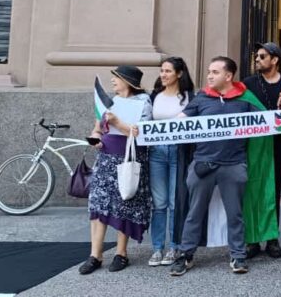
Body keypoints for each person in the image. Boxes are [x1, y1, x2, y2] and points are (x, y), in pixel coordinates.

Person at [170, 57, 265, 276]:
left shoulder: (245, 99)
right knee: (194, 213)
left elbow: (267, 121)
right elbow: (178, 121)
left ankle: (238, 256)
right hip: (203, 164)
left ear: (228, 76)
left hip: (233, 165)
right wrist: (146, 130)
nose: (209, 76)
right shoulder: (201, 98)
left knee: (235, 214)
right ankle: (186, 255)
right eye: (209, 71)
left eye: (215, 72)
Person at [79, 65, 153, 275]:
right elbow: (96, 128)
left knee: (125, 204)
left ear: (128, 81)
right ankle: (95, 255)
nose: (112, 81)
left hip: (129, 158)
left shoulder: (143, 102)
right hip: (105, 158)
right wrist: (96, 139)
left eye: (116, 78)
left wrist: (118, 122)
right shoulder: (108, 102)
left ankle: (121, 253)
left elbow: (141, 133)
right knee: (99, 204)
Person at [242, 42, 281, 260]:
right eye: (256, 56)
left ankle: (272, 239)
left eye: (262, 56)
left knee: (274, 191)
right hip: (254, 145)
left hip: (278, 145)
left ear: (275, 60)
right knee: (253, 190)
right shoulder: (248, 84)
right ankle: (252, 240)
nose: (257, 60)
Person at [147, 57, 195, 267]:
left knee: (176, 202)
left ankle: (175, 246)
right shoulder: (154, 96)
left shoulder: (189, 97)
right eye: (162, 71)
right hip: (156, 153)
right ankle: (157, 248)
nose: (163, 75)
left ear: (179, 73)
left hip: (179, 152)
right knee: (159, 203)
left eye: (168, 71)